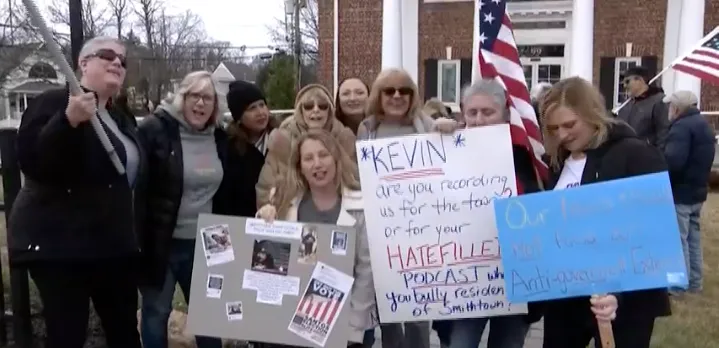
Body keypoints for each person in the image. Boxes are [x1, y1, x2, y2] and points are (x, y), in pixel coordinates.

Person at [10, 36, 144, 348]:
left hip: (112, 247)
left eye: (122, 60)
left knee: (125, 332)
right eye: (107, 56)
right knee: (67, 334)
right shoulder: (54, 102)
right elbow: (33, 161)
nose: (117, 63)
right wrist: (67, 122)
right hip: (63, 248)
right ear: (83, 64)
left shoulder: (121, 117)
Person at [539, 76, 670, 348]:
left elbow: (653, 235)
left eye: (569, 124)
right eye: (554, 128)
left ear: (591, 114)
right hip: (566, 296)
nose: (562, 135)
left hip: (623, 300)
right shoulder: (557, 163)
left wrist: (620, 294)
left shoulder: (635, 155)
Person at [356, 67, 455, 348]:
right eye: (390, 91)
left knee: (417, 310)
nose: (397, 96)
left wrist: (450, 128)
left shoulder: (426, 124)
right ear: (379, 95)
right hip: (382, 230)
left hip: (421, 231)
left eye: (404, 90)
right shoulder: (367, 128)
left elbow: (454, 158)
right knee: (387, 306)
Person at [445, 79, 544, 348]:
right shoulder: (445, 150)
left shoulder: (526, 156)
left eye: (488, 112)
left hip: (516, 277)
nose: (478, 120)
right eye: (472, 113)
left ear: (505, 115)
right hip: (465, 279)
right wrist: (437, 135)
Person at [137, 71, 233, 348]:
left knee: (209, 316)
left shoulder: (219, 138)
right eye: (195, 95)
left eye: (208, 98)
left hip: (210, 242)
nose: (201, 104)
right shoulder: (155, 130)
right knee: (156, 313)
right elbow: (139, 189)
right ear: (182, 97)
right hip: (162, 241)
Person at [256, 129, 377, 348]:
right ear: (299, 166)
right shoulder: (284, 201)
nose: (317, 164)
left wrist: (353, 326)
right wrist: (263, 220)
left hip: (346, 321)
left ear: (336, 159)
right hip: (292, 320)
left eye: (323, 155)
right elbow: (267, 260)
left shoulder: (361, 205)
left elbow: (366, 270)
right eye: (308, 158)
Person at [256, 84, 356, 208]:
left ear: (330, 110)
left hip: (337, 211)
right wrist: (271, 212)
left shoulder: (343, 139)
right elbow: (265, 188)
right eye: (308, 106)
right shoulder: (283, 141)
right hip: (292, 213)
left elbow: (354, 182)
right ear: (300, 110)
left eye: (322, 106)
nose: (316, 110)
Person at [663, 90, 715, 295]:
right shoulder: (704, 125)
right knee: (693, 238)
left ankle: (677, 285)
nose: (669, 109)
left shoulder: (681, 128)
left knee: (678, 239)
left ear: (677, 107)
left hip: (681, 192)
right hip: (698, 190)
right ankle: (695, 282)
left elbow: (674, 162)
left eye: (670, 106)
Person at [616, 66, 669, 148]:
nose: (624, 86)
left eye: (627, 81)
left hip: (647, 155)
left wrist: (657, 156)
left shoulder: (659, 101)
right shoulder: (626, 104)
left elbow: (663, 134)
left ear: (640, 80)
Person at [226, 80, 278, 157]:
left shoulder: (282, 137)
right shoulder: (230, 149)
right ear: (239, 118)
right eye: (252, 108)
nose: (261, 113)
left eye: (262, 105)